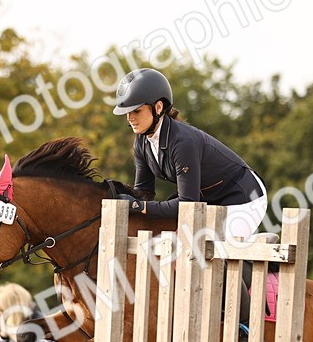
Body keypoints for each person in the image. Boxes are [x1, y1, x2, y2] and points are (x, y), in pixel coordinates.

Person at [112, 68, 268, 241]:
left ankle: (270, 266)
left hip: (244, 199)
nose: (129, 118)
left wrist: (140, 206)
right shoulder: (141, 141)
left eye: (136, 111)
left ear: (158, 107)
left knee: (213, 254)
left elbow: (187, 204)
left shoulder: (183, 142)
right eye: (127, 112)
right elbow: (143, 192)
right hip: (208, 202)